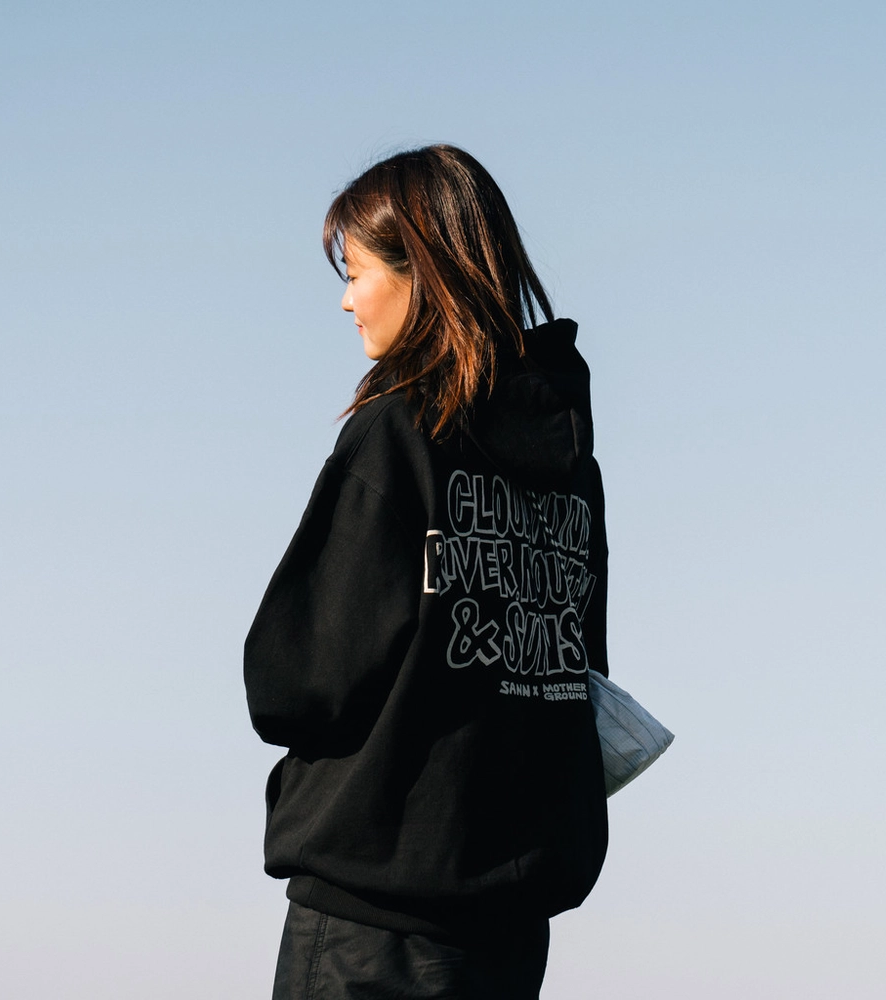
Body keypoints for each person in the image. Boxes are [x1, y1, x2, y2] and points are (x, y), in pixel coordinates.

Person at [244, 144, 610, 1000]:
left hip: (372, 920)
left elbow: (293, 682)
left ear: (424, 271)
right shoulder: (572, 462)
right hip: (509, 928)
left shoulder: (397, 434)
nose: (347, 299)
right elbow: (577, 669)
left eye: (358, 273)